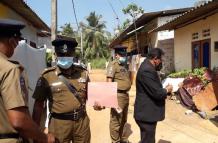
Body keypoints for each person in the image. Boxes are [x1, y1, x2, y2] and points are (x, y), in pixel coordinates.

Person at [0, 19, 56, 143]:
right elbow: (18, 120)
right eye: (16, 42)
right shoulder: (10, 69)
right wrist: (45, 138)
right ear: (12, 41)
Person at [32, 37, 91, 143]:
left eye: (68, 55)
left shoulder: (83, 73)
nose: (64, 57)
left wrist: (98, 103)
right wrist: (35, 131)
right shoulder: (46, 76)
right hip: (59, 125)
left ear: (73, 54)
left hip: (81, 123)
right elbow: (38, 105)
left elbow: (91, 96)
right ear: (56, 54)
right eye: (61, 55)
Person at [134, 48, 173, 143]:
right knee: (148, 140)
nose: (161, 62)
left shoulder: (148, 67)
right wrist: (167, 90)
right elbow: (156, 93)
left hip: (147, 114)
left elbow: (152, 88)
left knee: (148, 139)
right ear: (155, 59)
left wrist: (163, 90)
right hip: (146, 114)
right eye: (161, 60)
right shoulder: (147, 70)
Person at [106, 45, 132, 143]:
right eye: (122, 55)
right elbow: (109, 81)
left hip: (125, 95)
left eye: (125, 55)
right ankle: (115, 141)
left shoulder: (124, 65)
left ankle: (121, 139)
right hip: (118, 96)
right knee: (116, 121)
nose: (124, 57)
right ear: (116, 55)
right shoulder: (113, 65)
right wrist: (112, 100)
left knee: (123, 120)